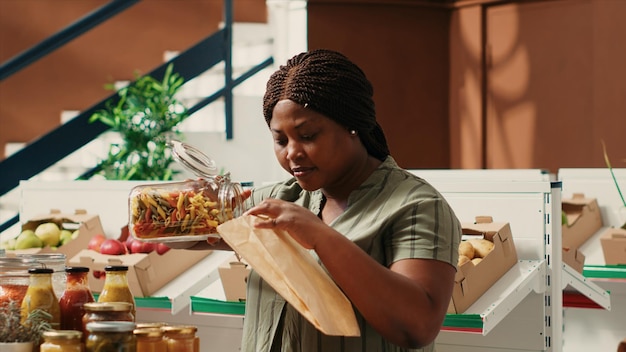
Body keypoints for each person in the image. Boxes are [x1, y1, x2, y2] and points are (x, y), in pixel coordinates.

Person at [179, 48, 462, 352]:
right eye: (280, 140)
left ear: (352, 125)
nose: (292, 153)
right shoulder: (280, 198)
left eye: (308, 135)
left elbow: (418, 327)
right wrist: (176, 209)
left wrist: (320, 236)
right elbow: (186, 235)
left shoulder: (416, 206)